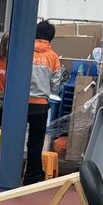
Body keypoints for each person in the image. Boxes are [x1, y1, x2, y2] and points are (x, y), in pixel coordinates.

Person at [25, 20, 63, 186]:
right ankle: (31, 177)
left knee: (15, 140)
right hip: (40, 105)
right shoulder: (53, 57)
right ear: (50, 38)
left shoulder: (25, 51)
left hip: (20, 104)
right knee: (36, 143)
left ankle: (10, 171)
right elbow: (55, 84)